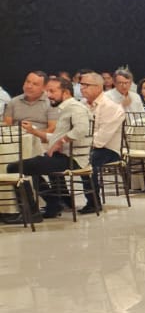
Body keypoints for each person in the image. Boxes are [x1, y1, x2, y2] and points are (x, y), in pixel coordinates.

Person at [9, 77, 89, 219]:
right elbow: (56, 136)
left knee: (15, 168)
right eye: (47, 91)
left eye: (52, 91)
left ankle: (31, 213)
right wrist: (34, 131)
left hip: (72, 158)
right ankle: (53, 203)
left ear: (66, 92)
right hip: (64, 156)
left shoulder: (75, 108)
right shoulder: (67, 108)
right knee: (31, 165)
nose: (48, 95)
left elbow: (81, 130)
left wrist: (59, 143)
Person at [77, 73, 125, 214]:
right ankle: (62, 200)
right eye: (81, 85)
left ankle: (93, 202)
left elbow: (100, 141)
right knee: (55, 154)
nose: (82, 88)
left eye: (86, 85)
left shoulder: (111, 107)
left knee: (87, 160)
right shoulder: (81, 105)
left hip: (109, 150)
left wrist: (79, 143)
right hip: (85, 146)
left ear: (98, 87)